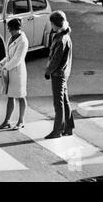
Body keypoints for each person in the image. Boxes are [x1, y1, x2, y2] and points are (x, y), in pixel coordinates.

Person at [44, 11, 74, 139]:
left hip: (58, 74)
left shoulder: (61, 39)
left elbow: (55, 60)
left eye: (52, 23)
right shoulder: (64, 35)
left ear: (56, 24)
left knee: (58, 103)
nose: (51, 26)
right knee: (65, 101)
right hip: (63, 73)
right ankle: (68, 127)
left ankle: (57, 130)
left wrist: (47, 71)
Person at [0, 18, 29, 130]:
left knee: (21, 95)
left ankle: (21, 121)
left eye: (11, 30)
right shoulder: (11, 38)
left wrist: (5, 67)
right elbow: (9, 56)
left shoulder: (23, 41)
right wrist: (1, 64)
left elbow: (17, 59)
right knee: (10, 96)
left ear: (17, 29)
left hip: (18, 72)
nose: (10, 32)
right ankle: (7, 121)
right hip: (10, 71)